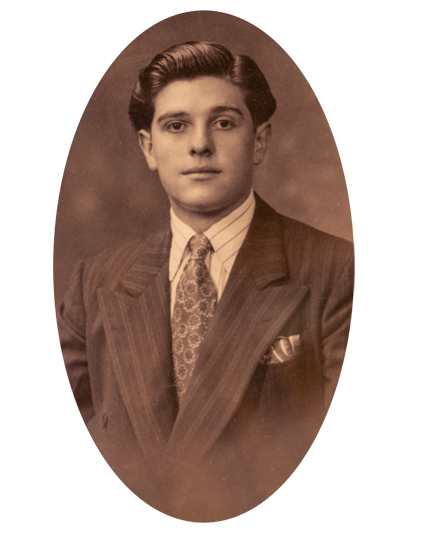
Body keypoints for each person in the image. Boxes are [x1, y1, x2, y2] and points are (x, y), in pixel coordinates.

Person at [59, 41, 354, 527]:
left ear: (259, 141)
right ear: (148, 148)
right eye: (176, 126)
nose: (200, 144)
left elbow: (355, 457)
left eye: (223, 123)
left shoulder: (338, 271)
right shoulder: (94, 285)